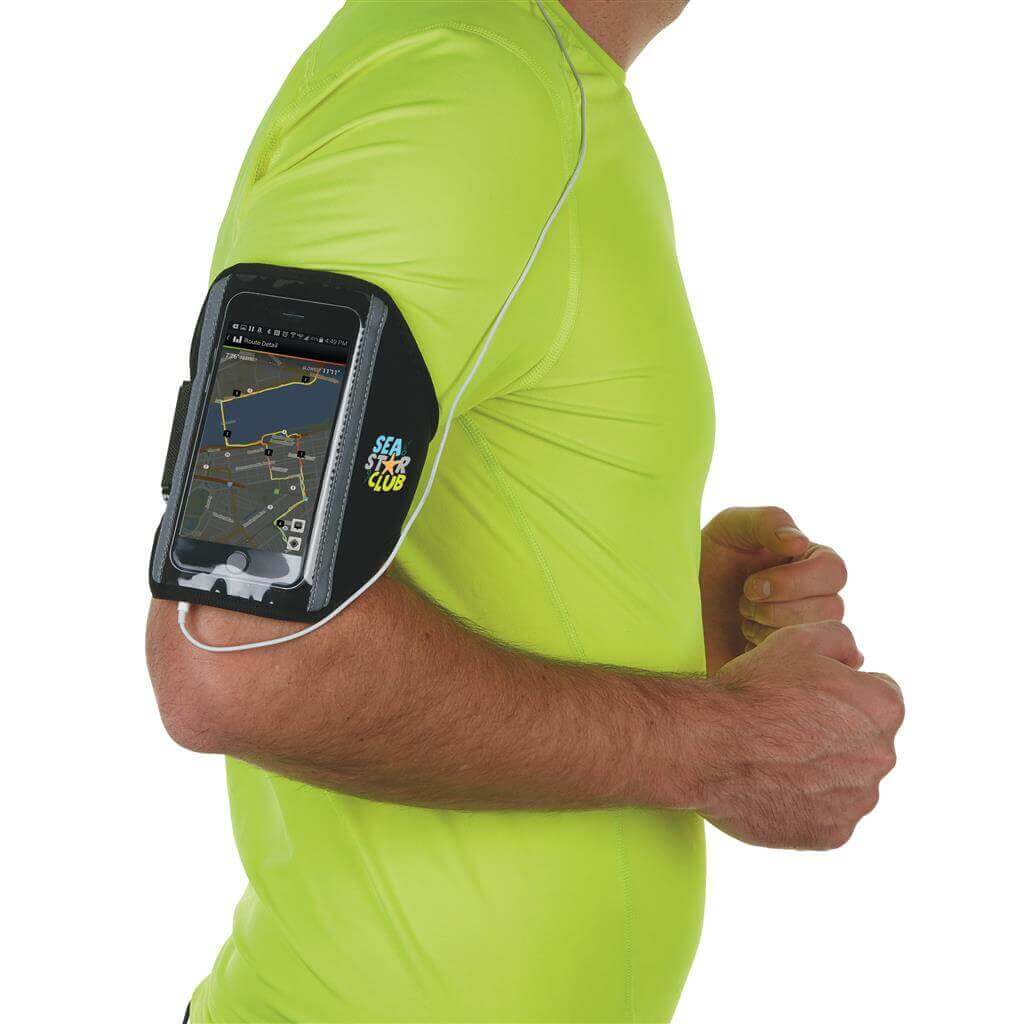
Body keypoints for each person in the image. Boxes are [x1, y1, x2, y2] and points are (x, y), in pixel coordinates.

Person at [146, 1, 904, 1021]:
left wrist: (654, 618)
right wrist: (722, 745)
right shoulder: (457, 96)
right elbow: (241, 647)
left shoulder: (526, 85)